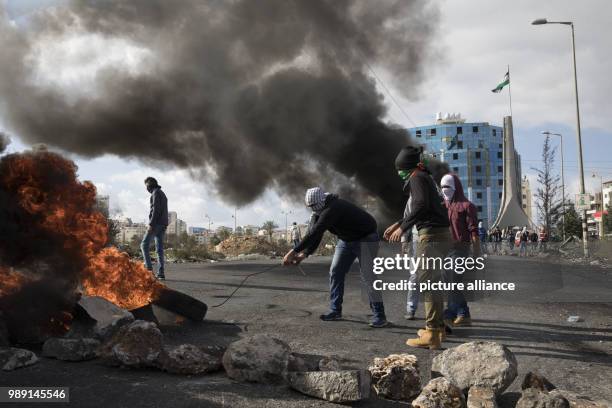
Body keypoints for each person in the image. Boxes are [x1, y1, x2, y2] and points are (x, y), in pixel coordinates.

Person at [283, 187, 389, 328]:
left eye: (315, 206)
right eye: (311, 207)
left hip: (366, 238)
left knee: (368, 275)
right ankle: (335, 311)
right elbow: (315, 233)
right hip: (345, 240)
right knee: (335, 272)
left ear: (322, 200)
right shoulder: (317, 212)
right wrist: (304, 254)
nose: (313, 209)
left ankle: (380, 316)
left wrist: (293, 251)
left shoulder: (334, 207)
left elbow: (316, 231)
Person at [384, 146, 451, 349]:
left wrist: (403, 229)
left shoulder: (416, 177)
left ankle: (431, 333)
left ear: (406, 167)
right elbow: (420, 207)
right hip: (440, 235)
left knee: (428, 283)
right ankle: (437, 329)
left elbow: (420, 206)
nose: (399, 173)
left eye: (399, 169)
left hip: (431, 236)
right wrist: (398, 224)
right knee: (433, 282)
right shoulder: (423, 177)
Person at [440, 173, 480, 327]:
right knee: (447, 282)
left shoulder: (467, 206)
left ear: (456, 187)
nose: (445, 190)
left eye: (448, 187)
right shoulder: (443, 205)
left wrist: (477, 255)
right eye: (442, 187)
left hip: (460, 249)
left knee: (453, 281)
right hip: (445, 250)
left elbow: (474, 232)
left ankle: (458, 312)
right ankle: (457, 311)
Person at [141, 177, 168, 280]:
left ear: (149, 185)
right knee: (159, 249)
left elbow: (155, 210)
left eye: (146, 186)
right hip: (163, 224)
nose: (146, 188)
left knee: (144, 244)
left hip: (156, 224)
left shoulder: (155, 193)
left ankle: (149, 271)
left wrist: (151, 224)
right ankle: (161, 273)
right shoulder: (162, 193)